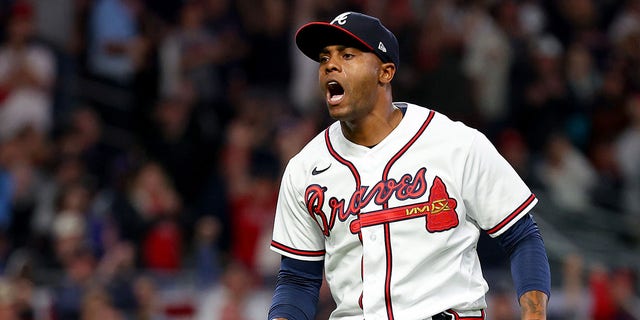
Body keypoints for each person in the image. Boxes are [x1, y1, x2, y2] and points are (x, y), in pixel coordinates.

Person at [267, 11, 551, 320]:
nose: (330, 65)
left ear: (385, 73)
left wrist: (534, 315)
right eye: (324, 58)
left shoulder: (456, 144)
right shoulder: (305, 168)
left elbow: (522, 237)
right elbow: (298, 279)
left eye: (347, 55)